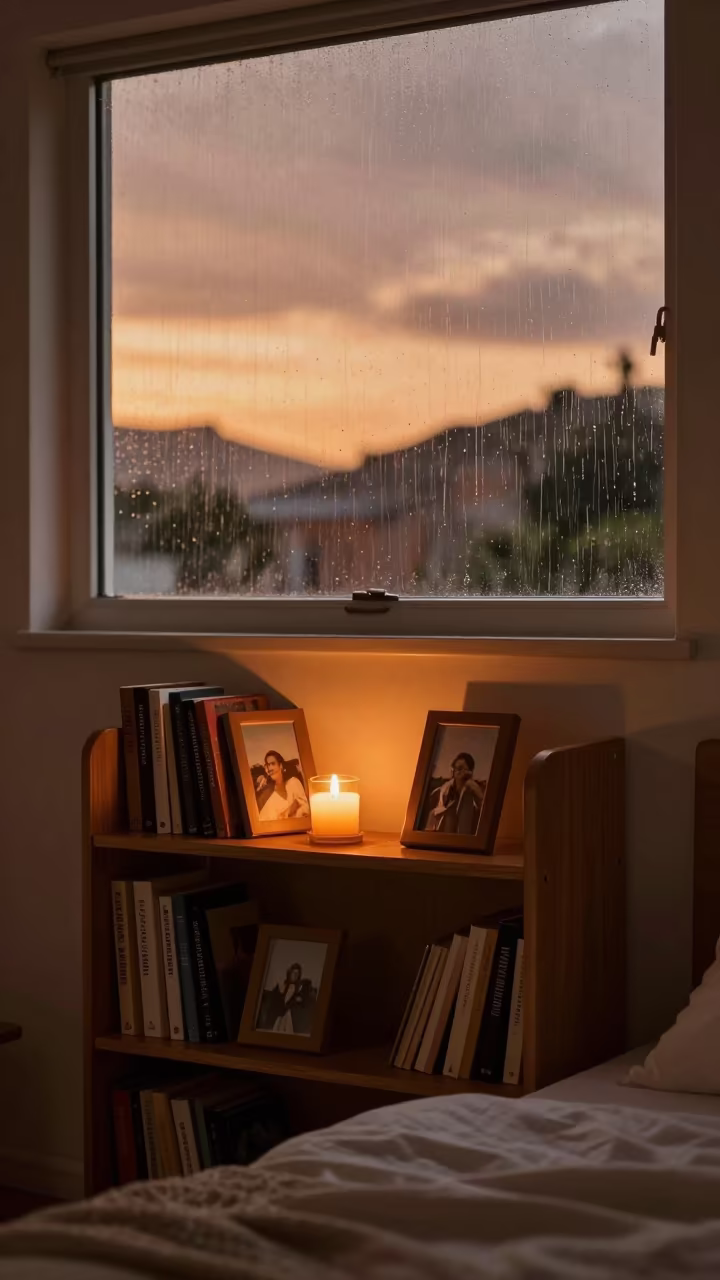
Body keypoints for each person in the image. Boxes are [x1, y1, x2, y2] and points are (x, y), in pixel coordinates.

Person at [424, 752, 487, 835]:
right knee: (450, 811)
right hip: (447, 825)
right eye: (457, 769)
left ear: (469, 771)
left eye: (463, 769)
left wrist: (475, 789)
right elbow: (440, 807)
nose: (459, 772)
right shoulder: (446, 788)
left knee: (467, 797)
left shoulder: (473, 787)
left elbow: (484, 808)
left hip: (469, 830)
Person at [257, 750, 310, 821]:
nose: (270, 768)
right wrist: (288, 812)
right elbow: (264, 820)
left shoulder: (294, 782)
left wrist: (283, 815)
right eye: (268, 765)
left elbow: (306, 808)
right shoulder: (269, 797)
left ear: (281, 765)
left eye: (273, 764)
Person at [268, 963, 315, 1034]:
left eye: (297, 973)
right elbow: (274, 1002)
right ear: (290, 973)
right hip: (280, 1014)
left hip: (290, 1015)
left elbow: (304, 1000)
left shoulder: (300, 988)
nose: (295, 975)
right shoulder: (282, 986)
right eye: (293, 972)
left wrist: (298, 999)